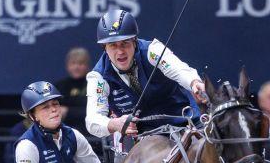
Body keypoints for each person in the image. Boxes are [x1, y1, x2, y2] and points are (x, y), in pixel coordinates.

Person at [85, 9, 207, 139]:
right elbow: (92, 120)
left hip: (186, 121)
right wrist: (114, 124)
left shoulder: (153, 52)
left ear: (134, 41)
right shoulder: (98, 77)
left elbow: (179, 69)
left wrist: (194, 82)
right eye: (113, 45)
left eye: (125, 43)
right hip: (143, 137)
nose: (120, 51)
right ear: (104, 47)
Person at [54, 47, 91, 131]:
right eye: (73, 63)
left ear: (87, 65)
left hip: (89, 131)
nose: (76, 67)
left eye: (81, 63)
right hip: (64, 131)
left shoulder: (93, 84)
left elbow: (93, 111)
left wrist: (68, 111)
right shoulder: (60, 85)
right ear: (67, 66)